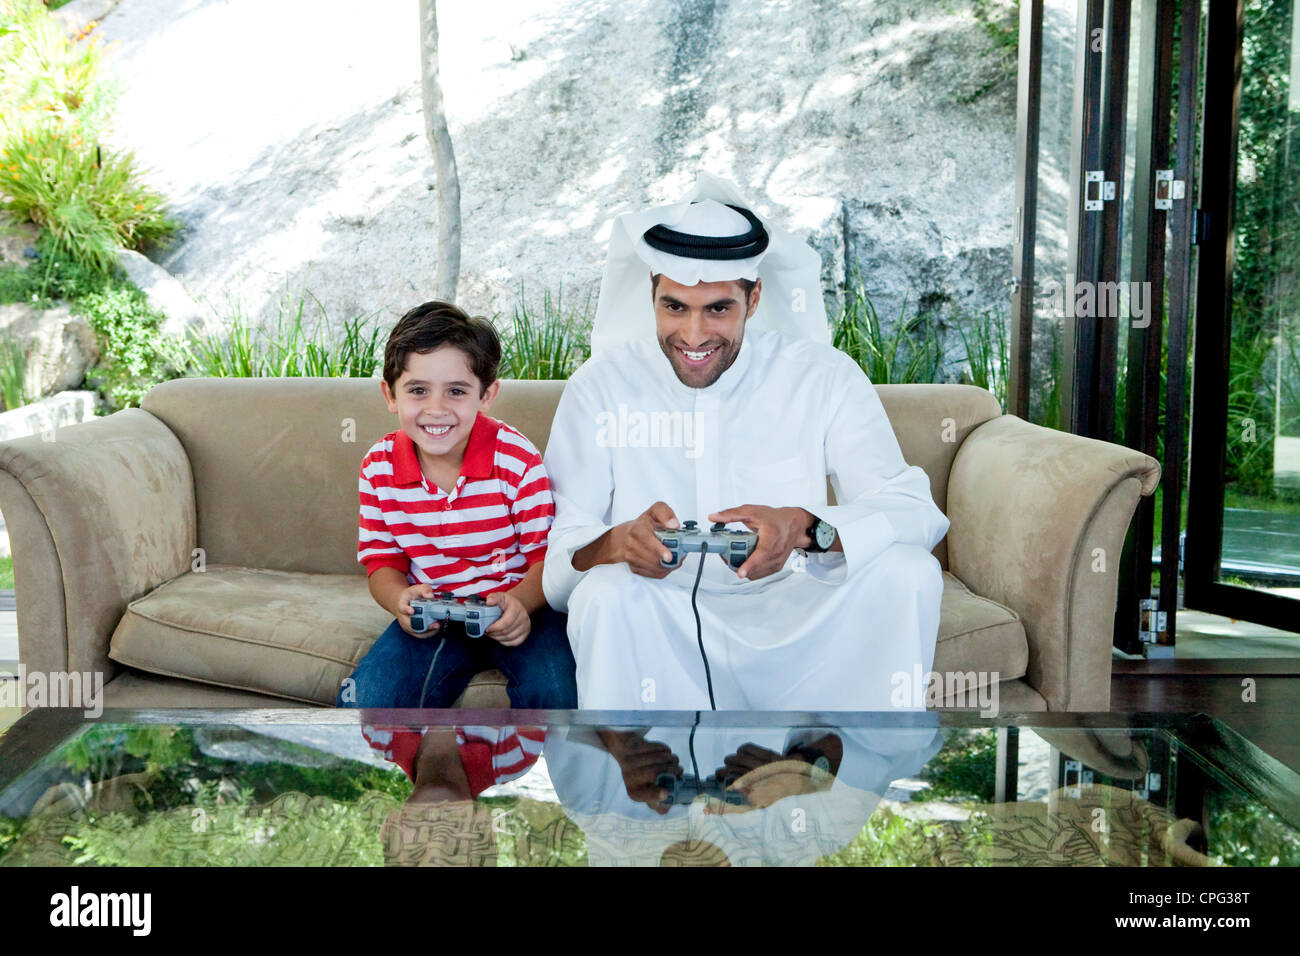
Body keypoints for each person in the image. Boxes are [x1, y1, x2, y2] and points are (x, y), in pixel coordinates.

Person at [541, 172, 949, 710]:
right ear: (652, 295)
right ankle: (642, 784)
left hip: (795, 608)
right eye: (675, 307)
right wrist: (615, 543)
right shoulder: (600, 386)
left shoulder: (822, 375)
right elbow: (561, 558)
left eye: (718, 309)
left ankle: (834, 767)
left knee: (908, 573)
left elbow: (913, 512)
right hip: (661, 614)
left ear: (753, 299)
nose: (692, 336)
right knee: (606, 592)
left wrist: (806, 528)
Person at [337, 301, 577, 709]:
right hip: (437, 617)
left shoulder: (517, 461)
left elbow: (547, 560)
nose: (436, 409)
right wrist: (400, 600)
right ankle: (421, 771)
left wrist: (520, 604)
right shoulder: (378, 467)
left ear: (486, 395)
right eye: (418, 391)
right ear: (390, 395)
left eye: (456, 391)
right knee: (365, 703)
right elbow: (382, 562)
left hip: (522, 611)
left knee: (556, 693)